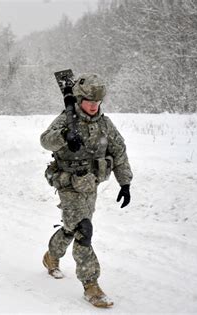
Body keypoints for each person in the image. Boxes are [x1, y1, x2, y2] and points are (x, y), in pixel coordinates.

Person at [40, 73, 132, 308]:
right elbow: (45, 140)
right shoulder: (66, 120)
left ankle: (51, 256)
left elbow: (119, 153)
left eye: (97, 102)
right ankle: (91, 285)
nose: (93, 106)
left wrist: (125, 183)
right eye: (89, 101)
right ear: (80, 100)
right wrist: (64, 135)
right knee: (83, 230)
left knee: (72, 229)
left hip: (91, 186)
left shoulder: (105, 124)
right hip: (68, 184)